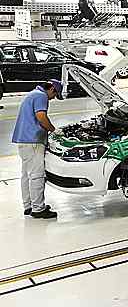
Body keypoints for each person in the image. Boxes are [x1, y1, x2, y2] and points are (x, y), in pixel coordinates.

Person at [12, 80, 63, 219]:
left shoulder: (33, 94)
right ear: (51, 89)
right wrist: (53, 130)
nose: (53, 98)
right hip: (33, 140)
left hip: (24, 140)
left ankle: (28, 206)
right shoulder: (41, 96)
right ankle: (38, 209)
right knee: (37, 175)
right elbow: (41, 117)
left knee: (26, 175)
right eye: (55, 95)